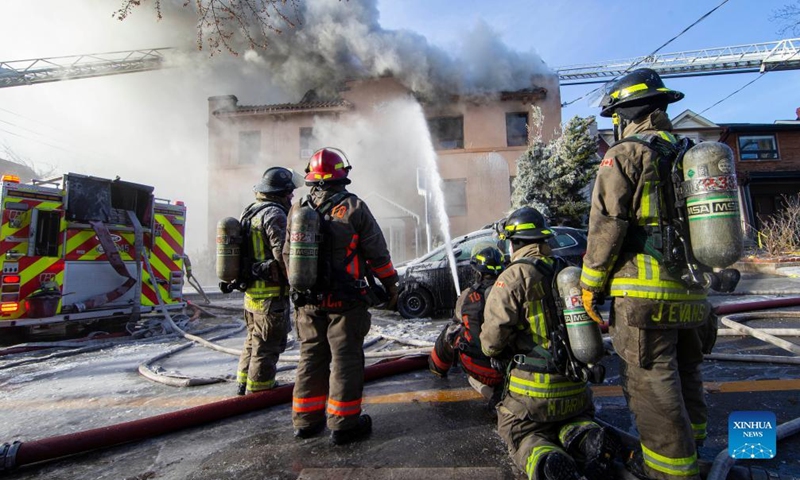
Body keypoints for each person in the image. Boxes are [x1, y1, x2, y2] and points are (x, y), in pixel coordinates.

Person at [580, 68, 713, 480]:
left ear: (626, 113)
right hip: (693, 295)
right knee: (686, 371)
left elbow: (607, 224)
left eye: (615, 116)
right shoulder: (688, 152)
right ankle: (695, 449)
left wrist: (589, 286)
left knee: (653, 383)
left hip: (645, 297)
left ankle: (670, 471)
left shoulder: (625, 154)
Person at [480, 206, 620, 480]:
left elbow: (492, 341)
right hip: (575, 388)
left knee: (520, 433)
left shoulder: (513, 277)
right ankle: (587, 438)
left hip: (532, 395)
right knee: (572, 421)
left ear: (515, 242)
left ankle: (546, 460)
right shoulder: (567, 272)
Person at [284, 147, 400, 445]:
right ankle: (344, 423)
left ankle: (306, 422)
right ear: (343, 174)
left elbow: (287, 255)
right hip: (346, 303)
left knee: (311, 357)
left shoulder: (298, 210)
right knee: (346, 359)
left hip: (308, 301)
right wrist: (390, 285)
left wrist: (300, 289)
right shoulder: (354, 207)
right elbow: (378, 254)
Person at [235, 166, 301, 396]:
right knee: (267, 346)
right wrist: (298, 283)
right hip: (270, 297)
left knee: (253, 341)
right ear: (279, 193)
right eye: (289, 192)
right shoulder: (274, 215)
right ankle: (260, 391)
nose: (291, 196)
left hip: (251, 296)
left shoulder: (249, 211)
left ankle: (243, 383)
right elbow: (283, 256)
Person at [428, 242, 506, 407]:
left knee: (451, 332)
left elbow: (459, 319)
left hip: (478, 368)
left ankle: (437, 367)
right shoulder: (512, 292)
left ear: (477, 271)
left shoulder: (468, 296)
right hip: (511, 369)